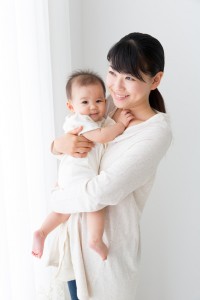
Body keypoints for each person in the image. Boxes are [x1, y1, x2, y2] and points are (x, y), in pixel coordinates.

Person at [48, 32, 172, 300]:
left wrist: (56, 198)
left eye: (129, 77)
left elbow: (101, 192)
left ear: (156, 80)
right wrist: (58, 145)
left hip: (107, 255)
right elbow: (80, 156)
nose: (117, 86)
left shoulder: (155, 132)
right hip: (74, 244)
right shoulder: (106, 109)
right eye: (113, 72)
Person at [32, 70, 133, 261]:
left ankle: (42, 232)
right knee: (95, 204)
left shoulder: (99, 120)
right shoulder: (80, 121)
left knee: (62, 212)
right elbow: (103, 136)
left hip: (70, 175)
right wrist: (120, 126)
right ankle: (95, 240)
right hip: (79, 174)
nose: (93, 107)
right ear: (71, 106)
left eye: (99, 101)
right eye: (85, 102)